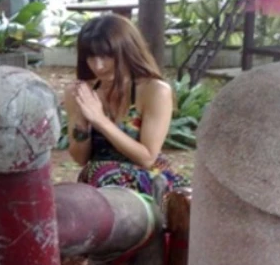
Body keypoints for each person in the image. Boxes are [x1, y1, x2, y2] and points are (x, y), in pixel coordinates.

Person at [63, 14, 189, 203]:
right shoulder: (81, 91)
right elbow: (80, 158)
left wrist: (100, 120)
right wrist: (82, 118)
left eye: (106, 56)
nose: (98, 66)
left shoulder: (155, 91)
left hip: (147, 178)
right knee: (94, 175)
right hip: (101, 179)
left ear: (127, 51)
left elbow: (147, 157)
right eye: (91, 56)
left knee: (105, 174)